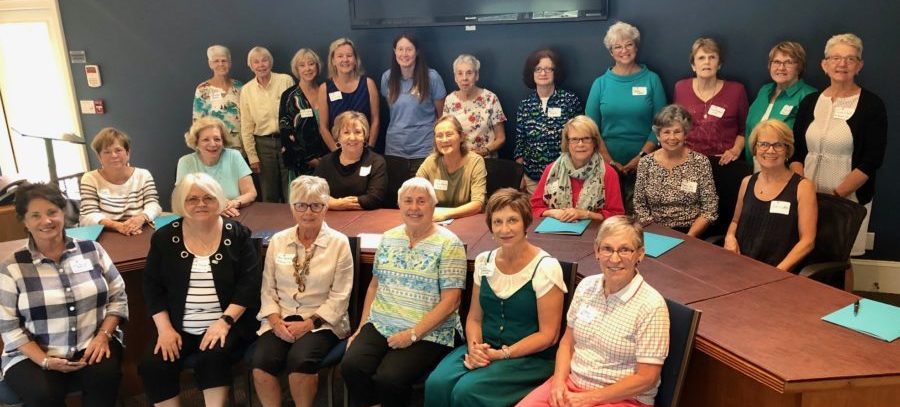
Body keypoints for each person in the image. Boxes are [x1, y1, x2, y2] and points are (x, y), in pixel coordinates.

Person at [425, 188, 566, 406]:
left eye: (512, 220)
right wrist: (474, 347)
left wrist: (502, 354)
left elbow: (549, 335)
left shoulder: (546, 267)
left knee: (466, 392)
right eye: (498, 222)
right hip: (485, 347)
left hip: (528, 359)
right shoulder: (484, 261)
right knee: (436, 383)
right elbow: (474, 318)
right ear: (490, 226)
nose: (505, 229)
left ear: (525, 222)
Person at [517, 216, 670, 407]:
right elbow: (567, 343)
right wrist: (557, 383)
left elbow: (647, 378)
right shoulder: (586, 286)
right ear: (596, 251)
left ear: (640, 254)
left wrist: (590, 398)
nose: (614, 258)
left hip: (622, 399)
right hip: (571, 384)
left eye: (625, 249)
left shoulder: (652, 305)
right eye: (607, 249)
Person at [341, 177, 466, 407]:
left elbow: (451, 302)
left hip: (429, 330)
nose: (414, 207)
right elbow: (374, 286)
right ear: (399, 205)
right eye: (408, 201)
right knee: (352, 365)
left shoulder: (450, 244)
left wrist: (412, 334)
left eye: (421, 201)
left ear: (433, 205)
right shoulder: (389, 238)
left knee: (390, 378)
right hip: (381, 322)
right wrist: (361, 327)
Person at [0, 183, 128, 407]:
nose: (46, 221)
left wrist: (103, 336)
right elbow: (9, 326)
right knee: (43, 394)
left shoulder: (92, 250)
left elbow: (118, 295)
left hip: (93, 342)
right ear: (24, 221)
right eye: (35, 215)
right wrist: (46, 361)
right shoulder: (12, 267)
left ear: (63, 212)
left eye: (52, 212)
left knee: (105, 377)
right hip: (34, 353)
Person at [139, 173, 261, 406]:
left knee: (213, 357)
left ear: (219, 199)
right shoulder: (164, 238)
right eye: (192, 199)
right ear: (181, 203)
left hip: (228, 323)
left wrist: (224, 322)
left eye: (208, 197)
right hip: (177, 326)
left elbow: (249, 284)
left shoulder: (237, 235)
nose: (201, 204)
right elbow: (152, 286)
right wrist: (164, 329)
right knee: (154, 364)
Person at [251, 176, 353, 407]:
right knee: (261, 364)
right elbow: (268, 288)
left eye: (316, 205)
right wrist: (276, 322)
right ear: (292, 207)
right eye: (301, 205)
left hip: (322, 322)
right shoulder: (278, 241)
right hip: (281, 318)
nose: (308, 212)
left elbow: (340, 297)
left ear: (326, 207)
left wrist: (309, 324)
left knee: (299, 364)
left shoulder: (339, 243)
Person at [792, 33, 886, 259]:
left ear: (859, 65)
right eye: (835, 58)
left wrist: (836, 196)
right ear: (824, 64)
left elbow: (872, 160)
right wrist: (803, 191)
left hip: (848, 199)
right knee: (805, 253)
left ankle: (844, 297)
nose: (842, 64)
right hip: (808, 195)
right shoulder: (809, 102)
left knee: (840, 259)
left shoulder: (872, 105)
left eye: (850, 58)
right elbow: (796, 152)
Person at [585, 21, 666, 211]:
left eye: (629, 44)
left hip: (646, 163)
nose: (624, 50)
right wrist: (608, 160)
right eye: (617, 47)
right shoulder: (600, 83)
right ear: (611, 52)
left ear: (636, 47)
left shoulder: (652, 79)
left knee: (641, 222)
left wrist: (642, 157)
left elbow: (661, 124)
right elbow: (591, 127)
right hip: (606, 165)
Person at [673, 37, 749, 236]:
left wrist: (735, 150)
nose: (706, 62)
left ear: (719, 63)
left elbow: (744, 129)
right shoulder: (681, 88)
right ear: (693, 64)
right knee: (689, 217)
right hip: (689, 165)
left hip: (723, 166)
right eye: (701, 58)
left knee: (720, 220)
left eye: (712, 57)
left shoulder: (736, 90)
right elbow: (676, 125)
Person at [726, 120, 817, 271]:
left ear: (787, 150)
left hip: (779, 271)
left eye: (778, 145)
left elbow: (807, 241)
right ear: (755, 149)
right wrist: (730, 237)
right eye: (764, 144)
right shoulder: (747, 182)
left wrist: (777, 272)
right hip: (741, 266)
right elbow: (735, 221)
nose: (770, 151)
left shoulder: (803, 187)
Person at [634, 105, 718, 237]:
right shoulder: (646, 163)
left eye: (677, 131)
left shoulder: (700, 162)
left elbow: (709, 209)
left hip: (691, 232)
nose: (672, 137)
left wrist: (689, 238)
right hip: (654, 231)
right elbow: (639, 205)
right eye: (666, 132)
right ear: (658, 135)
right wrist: (655, 234)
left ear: (685, 134)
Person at [531, 116, 625, 222]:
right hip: (555, 233)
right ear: (567, 143)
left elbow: (616, 215)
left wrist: (585, 214)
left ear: (594, 142)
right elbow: (534, 208)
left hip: (593, 233)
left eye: (586, 139)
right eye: (574, 139)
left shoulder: (608, 173)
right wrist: (553, 212)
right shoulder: (551, 170)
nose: (580, 144)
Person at [515, 48, 583, 194]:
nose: (543, 73)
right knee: (536, 216)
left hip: (565, 176)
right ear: (531, 73)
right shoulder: (525, 105)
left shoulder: (569, 100)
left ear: (556, 72)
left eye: (548, 69)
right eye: (538, 69)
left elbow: (581, 137)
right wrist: (520, 175)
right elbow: (520, 144)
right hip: (532, 179)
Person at [382, 33, 447, 179]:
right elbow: (393, 112)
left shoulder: (432, 77)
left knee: (424, 196)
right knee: (397, 197)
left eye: (409, 49)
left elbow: (442, 116)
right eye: (400, 49)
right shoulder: (387, 77)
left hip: (424, 149)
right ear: (395, 51)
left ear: (416, 52)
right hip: (395, 149)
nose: (404, 54)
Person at [744, 41, 817, 170]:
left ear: (799, 67)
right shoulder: (764, 90)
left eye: (788, 62)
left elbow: (806, 143)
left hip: (785, 170)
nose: (781, 68)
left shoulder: (809, 95)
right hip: (754, 167)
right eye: (776, 62)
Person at [79, 127, 162, 235]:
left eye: (118, 150)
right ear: (99, 157)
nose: (113, 155)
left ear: (127, 153)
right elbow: (89, 215)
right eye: (107, 152)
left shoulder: (143, 175)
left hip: (140, 229)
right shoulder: (90, 178)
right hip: (106, 232)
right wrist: (117, 226)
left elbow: (153, 205)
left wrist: (141, 218)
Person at [240, 46, 295, 203]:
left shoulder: (285, 80)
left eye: (264, 60)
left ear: (271, 62)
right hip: (263, 145)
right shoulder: (247, 90)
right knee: (268, 191)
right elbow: (246, 125)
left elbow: (294, 113)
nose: (261, 65)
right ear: (250, 66)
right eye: (255, 62)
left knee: (291, 189)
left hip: (287, 141)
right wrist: (252, 157)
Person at [176, 117, 256, 217]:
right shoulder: (185, 162)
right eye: (206, 140)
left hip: (234, 214)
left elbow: (251, 193)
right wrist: (216, 207)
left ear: (223, 141)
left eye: (217, 139)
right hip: (200, 217)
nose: (213, 144)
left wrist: (234, 203)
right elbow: (181, 199)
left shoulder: (234, 156)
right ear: (196, 143)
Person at [415, 115, 487, 221]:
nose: (444, 140)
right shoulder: (430, 162)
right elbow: (412, 191)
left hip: (469, 221)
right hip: (436, 222)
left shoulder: (476, 162)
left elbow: (478, 204)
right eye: (439, 136)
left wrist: (446, 214)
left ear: (461, 137)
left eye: (449, 134)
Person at [314, 111, 387, 210]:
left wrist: (338, 204)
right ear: (338, 137)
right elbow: (313, 193)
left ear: (364, 136)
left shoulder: (376, 162)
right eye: (346, 132)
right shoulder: (326, 162)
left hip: (365, 218)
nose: (352, 138)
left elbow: (375, 198)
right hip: (331, 217)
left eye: (357, 132)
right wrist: (335, 204)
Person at [318, 38, 380, 151]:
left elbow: (375, 120)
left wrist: (369, 150)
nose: (345, 60)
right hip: (337, 153)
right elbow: (323, 127)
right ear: (333, 60)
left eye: (349, 55)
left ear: (356, 60)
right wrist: (337, 153)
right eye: (340, 56)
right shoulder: (325, 88)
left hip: (364, 151)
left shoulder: (368, 84)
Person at [443, 54, 507, 157]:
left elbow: (501, 138)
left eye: (469, 73)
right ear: (455, 77)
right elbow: (446, 134)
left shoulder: (490, 98)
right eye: (460, 73)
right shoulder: (449, 100)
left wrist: (485, 150)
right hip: (459, 160)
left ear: (476, 75)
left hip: (486, 160)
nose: (464, 78)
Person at [279, 48, 329, 179]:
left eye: (311, 64)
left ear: (317, 66)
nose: (307, 68)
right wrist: (308, 159)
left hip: (329, 163)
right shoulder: (289, 96)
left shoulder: (327, 91)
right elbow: (285, 132)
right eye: (302, 65)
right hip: (300, 165)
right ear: (297, 69)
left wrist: (326, 159)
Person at [193, 45, 244, 153]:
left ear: (230, 63)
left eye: (224, 61)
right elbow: (197, 123)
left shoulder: (240, 87)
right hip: (214, 148)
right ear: (210, 64)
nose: (221, 64)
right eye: (216, 61)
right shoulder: (203, 89)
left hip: (240, 148)